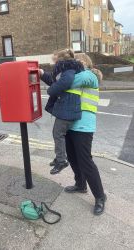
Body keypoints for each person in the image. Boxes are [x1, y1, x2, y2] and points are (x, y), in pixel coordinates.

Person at [63, 54, 106, 215]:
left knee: (86, 162)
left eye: (77, 62)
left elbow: (66, 82)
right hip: (70, 124)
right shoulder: (75, 76)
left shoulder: (90, 76)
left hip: (84, 126)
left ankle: (100, 197)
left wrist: (65, 74)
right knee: (73, 158)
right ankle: (80, 185)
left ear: (85, 63)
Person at [40, 49, 84, 175]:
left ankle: (61, 161)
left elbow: (64, 82)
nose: (53, 63)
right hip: (67, 108)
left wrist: (50, 91)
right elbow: (56, 81)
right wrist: (42, 74)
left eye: (54, 60)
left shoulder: (68, 69)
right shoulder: (66, 68)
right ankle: (60, 157)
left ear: (60, 59)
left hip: (68, 109)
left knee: (58, 133)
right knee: (59, 134)